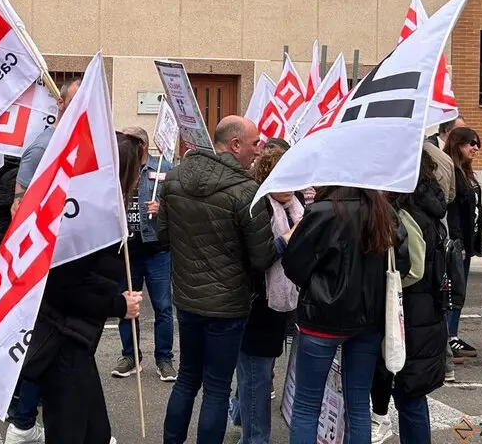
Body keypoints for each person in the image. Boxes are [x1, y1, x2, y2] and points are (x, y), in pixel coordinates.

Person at [159, 115, 275, 444]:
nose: (259, 149)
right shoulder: (245, 190)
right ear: (235, 145)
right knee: (216, 387)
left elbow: (164, 237)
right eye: (255, 143)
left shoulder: (174, 178)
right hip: (228, 307)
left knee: (186, 379)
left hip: (188, 299)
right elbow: (262, 258)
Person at [21, 132, 143, 444]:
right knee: (71, 431)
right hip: (64, 339)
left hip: (78, 340)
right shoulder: (88, 215)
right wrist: (118, 305)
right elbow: (64, 286)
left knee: (95, 432)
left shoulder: (98, 209)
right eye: (139, 169)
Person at [282, 186, 402, 444]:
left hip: (321, 316)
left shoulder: (322, 212)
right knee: (358, 405)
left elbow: (294, 263)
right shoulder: (381, 211)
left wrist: (313, 285)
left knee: (306, 404)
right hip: (368, 317)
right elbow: (402, 262)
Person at [6, 78, 81, 444]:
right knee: (48, 345)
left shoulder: (91, 146)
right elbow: (17, 207)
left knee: (66, 349)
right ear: (61, 106)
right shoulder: (41, 148)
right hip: (46, 266)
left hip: (78, 261)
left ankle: (34, 422)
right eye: (77, 100)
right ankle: (24, 421)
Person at [371, 152, 448, 444]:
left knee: (408, 393)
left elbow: (410, 271)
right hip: (426, 313)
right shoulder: (428, 208)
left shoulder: (406, 214)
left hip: (408, 314)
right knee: (412, 393)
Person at [230, 140, 301, 444]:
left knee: (258, 371)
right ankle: (255, 438)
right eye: (282, 178)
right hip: (257, 302)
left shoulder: (294, 207)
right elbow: (259, 258)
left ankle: (238, 413)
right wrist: (289, 237)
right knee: (257, 375)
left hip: (283, 303)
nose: (290, 186)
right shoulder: (258, 207)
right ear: (268, 177)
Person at [110, 126, 176, 383]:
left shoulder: (164, 168)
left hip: (157, 249)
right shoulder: (119, 167)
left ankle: (164, 359)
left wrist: (163, 208)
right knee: (127, 305)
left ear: (142, 146)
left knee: (163, 307)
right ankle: (130, 356)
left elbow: (178, 204)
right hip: (127, 249)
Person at [442, 127, 482, 360]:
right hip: (458, 243)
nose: (476, 148)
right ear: (458, 145)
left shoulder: (467, 173)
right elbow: (452, 212)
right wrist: (458, 243)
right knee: (453, 291)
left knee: (460, 290)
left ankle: (453, 335)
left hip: (468, 241)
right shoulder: (452, 172)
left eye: (477, 143)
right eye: (471, 143)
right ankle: (448, 338)